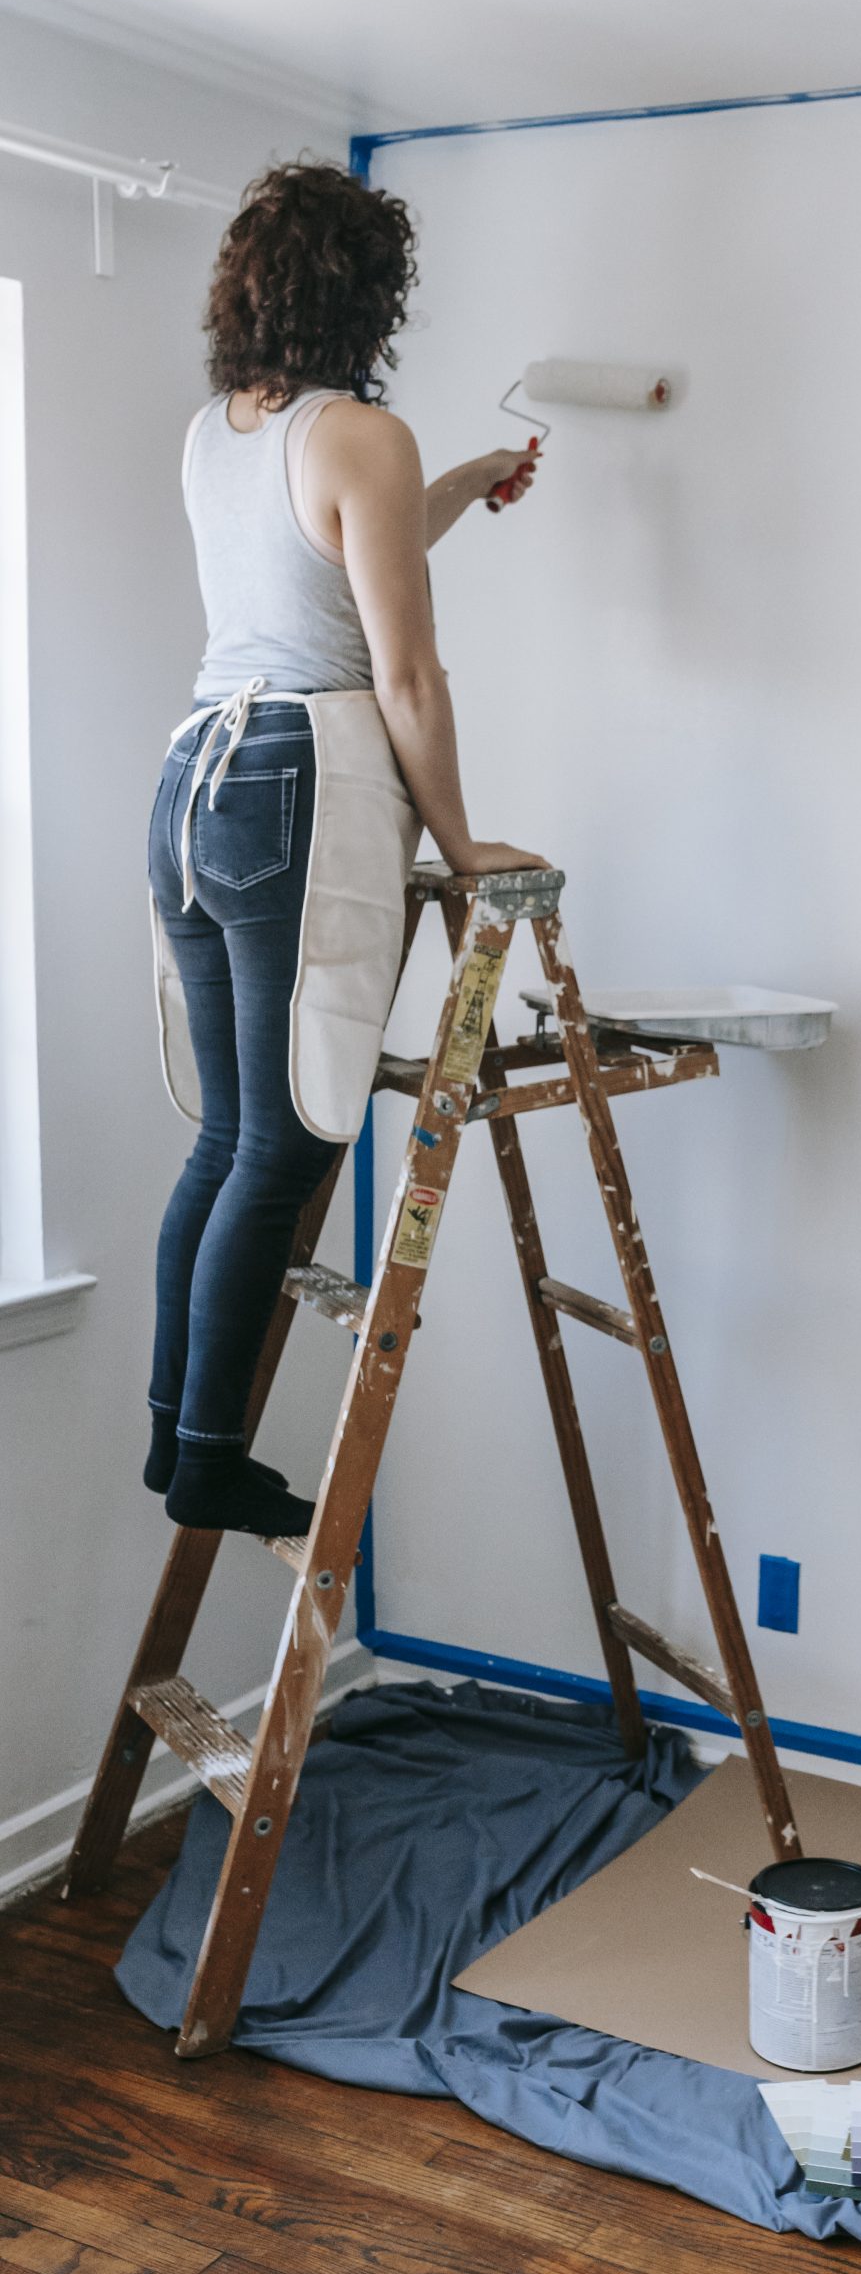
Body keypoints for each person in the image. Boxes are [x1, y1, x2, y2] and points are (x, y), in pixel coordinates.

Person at [146, 159, 545, 1544]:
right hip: (289, 783)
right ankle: (210, 1454)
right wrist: (459, 839)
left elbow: (335, 561)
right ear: (369, 295)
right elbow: (404, 673)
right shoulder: (360, 433)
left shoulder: (220, 432)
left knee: (225, 1137)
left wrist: (462, 486)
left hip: (193, 778)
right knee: (297, 1136)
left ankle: (171, 1435)